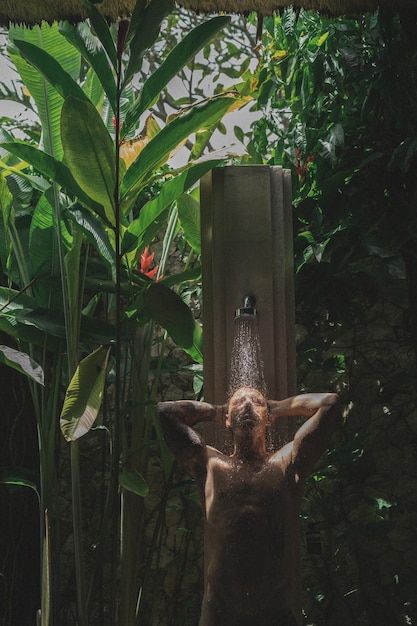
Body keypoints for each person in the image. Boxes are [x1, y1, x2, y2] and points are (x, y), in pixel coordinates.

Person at [158, 386, 339, 626]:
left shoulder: (288, 463)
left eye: (255, 401)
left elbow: (330, 403)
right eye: (238, 402)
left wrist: (278, 407)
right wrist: (218, 411)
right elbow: (165, 412)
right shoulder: (209, 465)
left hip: (275, 614)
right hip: (219, 614)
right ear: (227, 420)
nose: (246, 405)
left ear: (269, 417)